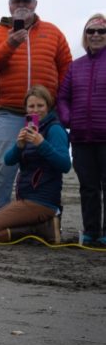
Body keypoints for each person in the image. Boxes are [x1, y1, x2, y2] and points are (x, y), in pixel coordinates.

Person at [0, 0, 72, 208]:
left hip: (46, 117)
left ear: (35, 4)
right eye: (17, 1)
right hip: (9, 113)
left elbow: (67, 71)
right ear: (9, 5)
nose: (22, 5)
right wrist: (10, 43)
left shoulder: (53, 32)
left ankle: (36, 218)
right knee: (2, 170)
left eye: (27, 1)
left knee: (43, 169)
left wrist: (60, 109)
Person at [0, 85, 71, 244]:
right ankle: (42, 226)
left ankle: (38, 229)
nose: (36, 110)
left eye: (40, 105)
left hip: (43, 202)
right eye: (31, 106)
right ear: (26, 109)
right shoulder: (30, 129)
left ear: (48, 106)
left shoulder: (55, 130)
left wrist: (42, 144)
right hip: (25, 200)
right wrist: (19, 145)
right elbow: (8, 160)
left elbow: (65, 165)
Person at [57, 14, 106, 246]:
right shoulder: (75, 67)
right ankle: (91, 232)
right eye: (91, 31)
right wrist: (69, 119)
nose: (95, 35)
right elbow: (63, 97)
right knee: (88, 187)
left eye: (101, 31)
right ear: (85, 36)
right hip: (81, 138)